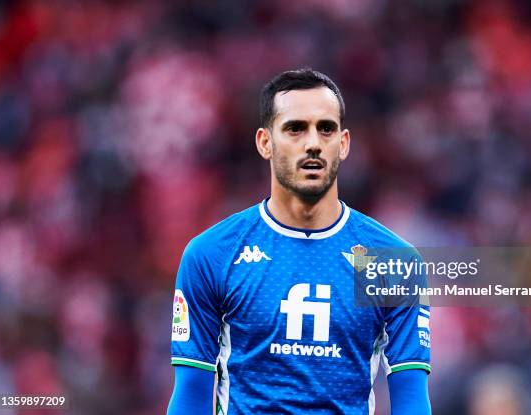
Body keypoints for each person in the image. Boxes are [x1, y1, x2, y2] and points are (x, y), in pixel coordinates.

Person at [167, 68, 431, 414]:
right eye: (295, 128)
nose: (313, 143)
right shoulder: (211, 255)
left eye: (326, 129)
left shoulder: (395, 262)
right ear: (265, 142)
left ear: (344, 143)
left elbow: (411, 398)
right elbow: (190, 395)